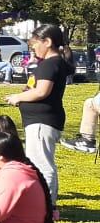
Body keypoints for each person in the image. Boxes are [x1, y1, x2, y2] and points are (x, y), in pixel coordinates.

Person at [5, 24, 72, 205]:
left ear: (47, 42)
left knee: (42, 164)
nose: (33, 49)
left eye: (35, 45)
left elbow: (42, 92)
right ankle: (43, 203)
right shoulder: (51, 64)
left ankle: (47, 206)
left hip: (42, 122)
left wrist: (18, 96)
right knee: (38, 161)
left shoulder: (50, 64)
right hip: (40, 121)